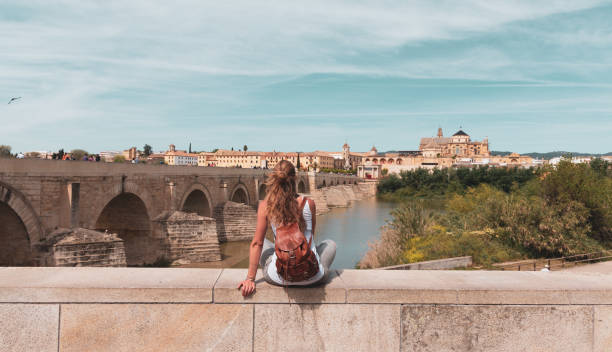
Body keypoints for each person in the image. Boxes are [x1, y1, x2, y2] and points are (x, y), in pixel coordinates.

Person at [238, 160, 336, 297]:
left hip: (279, 277)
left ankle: (277, 259)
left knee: (265, 243)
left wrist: (250, 279)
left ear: (273, 179)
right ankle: (317, 267)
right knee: (330, 244)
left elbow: (256, 243)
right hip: (313, 277)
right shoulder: (310, 204)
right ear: (294, 179)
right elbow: (311, 236)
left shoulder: (266, 206)